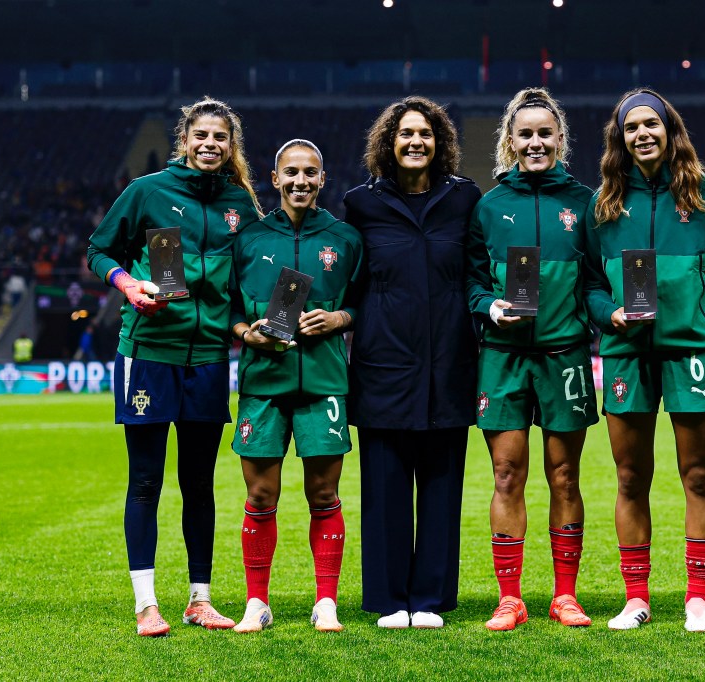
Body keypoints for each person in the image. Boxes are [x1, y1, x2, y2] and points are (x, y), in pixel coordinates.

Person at [86, 97, 262, 637]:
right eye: (201, 135)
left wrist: (242, 327)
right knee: (145, 481)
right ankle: (146, 604)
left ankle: (199, 599)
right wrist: (127, 284)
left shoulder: (240, 205)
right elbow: (99, 250)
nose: (210, 145)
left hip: (208, 358)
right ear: (184, 139)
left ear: (231, 147)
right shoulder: (148, 191)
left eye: (221, 138)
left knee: (199, 484)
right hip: (147, 354)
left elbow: (246, 284)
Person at [583, 89, 705, 632]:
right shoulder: (603, 203)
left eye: (651, 124)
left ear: (670, 130)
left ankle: (698, 598)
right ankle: (636, 598)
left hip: (690, 351)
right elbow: (588, 285)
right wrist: (610, 315)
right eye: (631, 128)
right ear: (620, 139)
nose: (642, 135)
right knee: (631, 477)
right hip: (626, 353)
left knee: (698, 474)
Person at [343, 96, 481, 629]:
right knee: (385, 488)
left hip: (449, 362)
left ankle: (429, 601)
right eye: (405, 134)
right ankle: (388, 597)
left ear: (440, 142)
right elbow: (347, 281)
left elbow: (476, 273)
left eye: (425, 133)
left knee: (442, 490)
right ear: (389, 142)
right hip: (383, 365)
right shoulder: (361, 204)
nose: (415, 141)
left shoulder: (464, 198)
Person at [466, 87, 597, 631]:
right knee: (506, 474)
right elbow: (471, 283)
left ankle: (565, 595)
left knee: (565, 477)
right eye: (526, 133)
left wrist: (605, 312)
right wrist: (491, 308)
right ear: (510, 141)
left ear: (560, 139)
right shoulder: (489, 206)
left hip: (564, 355)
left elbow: (597, 279)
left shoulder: (586, 201)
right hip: (502, 356)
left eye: (546, 133)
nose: (536, 141)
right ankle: (510, 597)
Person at [228, 139, 362, 634]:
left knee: (323, 495)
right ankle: (256, 602)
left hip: (324, 381)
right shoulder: (249, 239)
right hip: (263, 384)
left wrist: (339, 318)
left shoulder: (345, 238)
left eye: (310, 173)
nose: (301, 181)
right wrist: (250, 335)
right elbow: (227, 313)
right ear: (275, 177)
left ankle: (325, 600)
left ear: (322, 178)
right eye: (292, 172)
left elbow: (367, 302)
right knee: (261, 496)